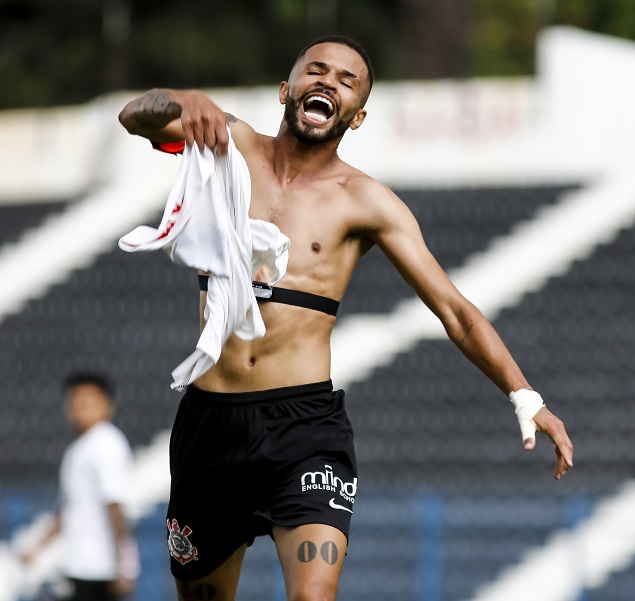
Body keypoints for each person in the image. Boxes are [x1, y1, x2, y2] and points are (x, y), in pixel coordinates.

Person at [117, 34, 574, 601]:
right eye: (316, 70)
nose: (328, 82)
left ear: (357, 116)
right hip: (209, 427)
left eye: (346, 80)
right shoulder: (226, 143)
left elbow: (455, 311)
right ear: (288, 89)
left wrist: (525, 396)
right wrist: (184, 99)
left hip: (303, 429)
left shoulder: (366, 201)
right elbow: (134, 116)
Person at [19, 373, 138, 601]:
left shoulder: (106, 442)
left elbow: (115, 506)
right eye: (75, 401)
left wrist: (124, 564)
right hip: (79, 564)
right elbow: (69, 509)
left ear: (107, 405)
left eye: (88, 401)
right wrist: (38, 547)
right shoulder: (80, 447)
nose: (80, 407)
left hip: (100, 569)